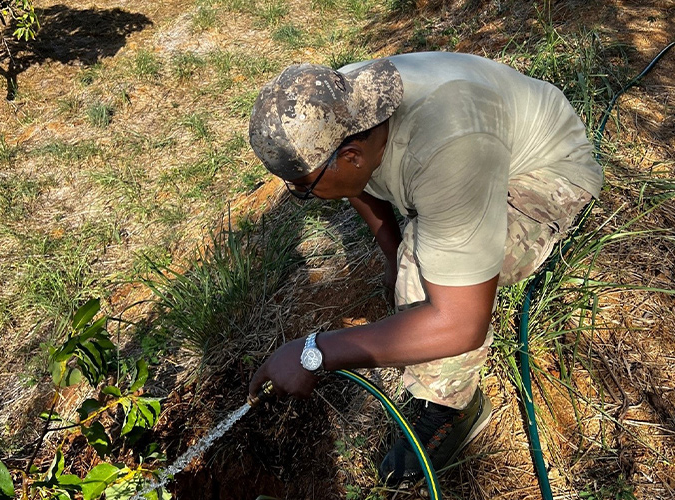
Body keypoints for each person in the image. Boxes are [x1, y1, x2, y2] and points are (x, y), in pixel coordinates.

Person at [247, 51, 602, 485]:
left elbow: (459, 322)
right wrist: (388, 251)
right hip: (478, 148)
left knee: (423, 270)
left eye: (304, 189)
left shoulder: (448, 147)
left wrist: (315, 352)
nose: (306, 198)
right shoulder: (332, 105)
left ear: (352, 156)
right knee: (408, 258)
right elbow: (357, 185)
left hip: (547, 172)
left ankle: (453, 408)